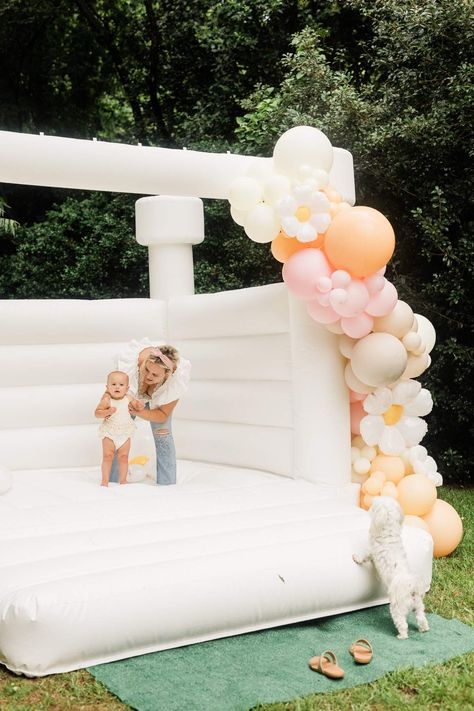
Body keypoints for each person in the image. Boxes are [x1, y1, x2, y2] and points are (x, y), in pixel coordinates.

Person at [108, 338, 191, 486]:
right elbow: (116, 391)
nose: (148, 376)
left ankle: (167, 485)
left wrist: (140, 412)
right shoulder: (130, 365)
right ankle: (113, 480)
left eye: (155, 375)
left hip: (158, 403)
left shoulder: (176, 383)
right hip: (130, 394)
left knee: (163, 435)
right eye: (147, 370)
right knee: (118, 431)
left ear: (167, 375)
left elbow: (162, 415)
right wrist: (130, 402)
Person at [95, 370, 144, 487]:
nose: (117, 387)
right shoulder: (107, 400)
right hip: (109, 432)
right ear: (107, 387)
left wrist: (139, 405)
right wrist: (107, 411)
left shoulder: (128, 398)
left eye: (121, 385)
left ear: (127, 388)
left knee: (124, 457)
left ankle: (123, 480)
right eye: (113, 384)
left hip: (125, 432)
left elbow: (137, 405)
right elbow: (97, 413)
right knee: (107, 456)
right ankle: (104, 481)